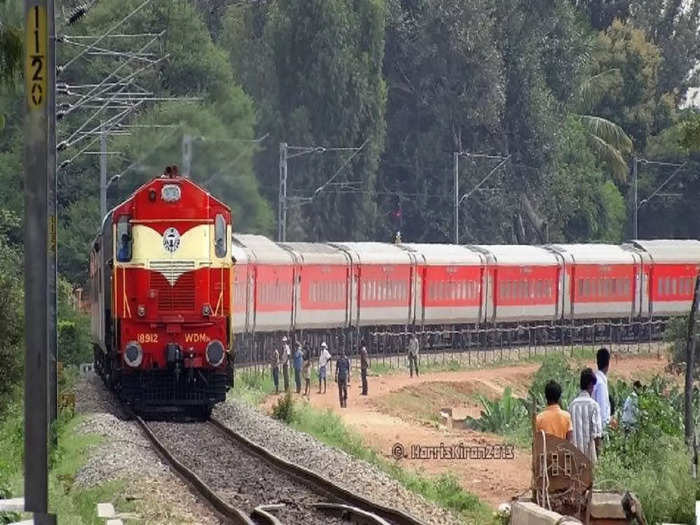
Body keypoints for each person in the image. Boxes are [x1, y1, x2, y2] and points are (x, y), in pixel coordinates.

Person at [569, 368, 603, 463]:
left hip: (574, 458)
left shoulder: (572, 405)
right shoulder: (594, 405)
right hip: (589, 457)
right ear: (590, 385)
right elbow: (597, 435)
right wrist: (599, 456)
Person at [592, 347, 611, 429]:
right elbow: (602, 411)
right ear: (608, 364)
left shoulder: (595, 380)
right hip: (600, 429)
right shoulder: (601, 384)